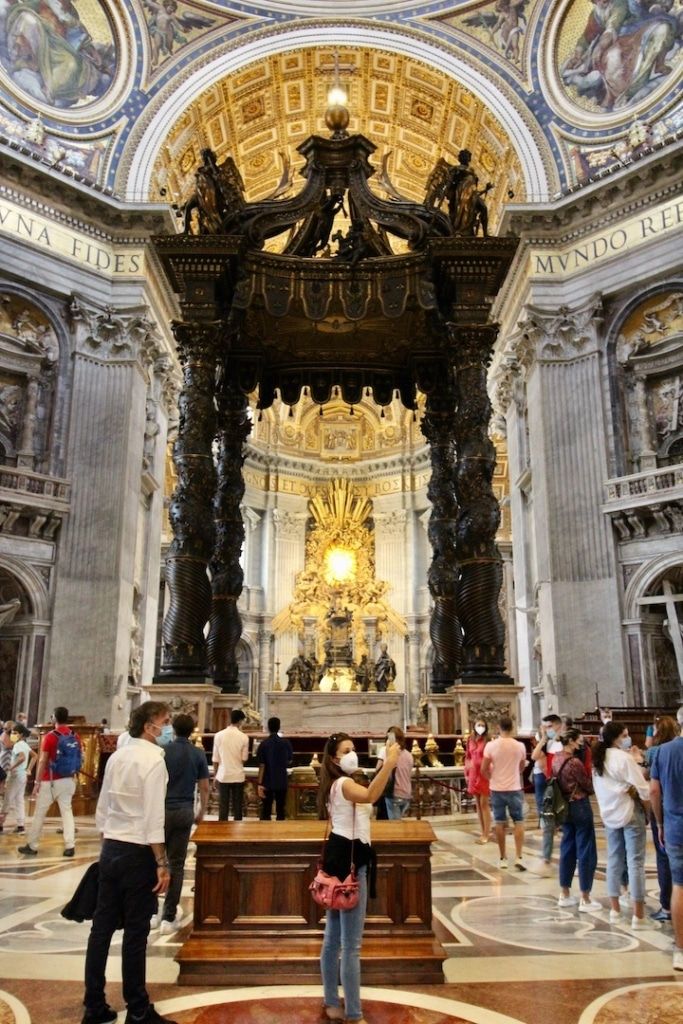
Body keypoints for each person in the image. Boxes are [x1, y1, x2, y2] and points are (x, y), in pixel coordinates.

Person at [82, 700, 177, 1024]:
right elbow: (154, 819)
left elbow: (103, 805)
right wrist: (162, 863)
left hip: (111, 848)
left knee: (101, 930)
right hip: (138, 853)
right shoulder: (153, 761)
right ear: (150, 726)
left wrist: (105, 845)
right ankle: (138, 1009)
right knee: (135, 933)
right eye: (165, 721)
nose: (167, 727)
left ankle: (94, 1006)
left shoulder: (118, 756)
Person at [318, 732, 399, 1024]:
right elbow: (370, 796)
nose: (353, 753)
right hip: (351, 861)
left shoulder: (341, 782)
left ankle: (330, 1000)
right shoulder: (344, 784)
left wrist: (383, 765)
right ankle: (353, 1013)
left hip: (339, 855)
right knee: (350, 945)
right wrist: (389, 764)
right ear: (335, 758)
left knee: (332, 938)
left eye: (354, 748)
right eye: (347, 750)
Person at [592, 720, 658, 931]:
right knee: (635, 862)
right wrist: (650, 812)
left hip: (609, 814)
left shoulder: (597, 759)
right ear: (618, 737)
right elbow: (643, 789)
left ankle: (614, 910)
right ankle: (638, 916)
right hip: (629, 812)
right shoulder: (623, 758)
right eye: (625, 735)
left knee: (614, 860)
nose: (627, 739)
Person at [150, 714, 209, 935]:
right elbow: (204, 786)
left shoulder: (162, 751)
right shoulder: (198, 753)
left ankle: (151, 912)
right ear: (192, 729)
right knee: (176, 863)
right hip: (184, 811)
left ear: (173, 729)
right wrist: (201, 811)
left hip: (161, 810)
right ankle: (168, 916)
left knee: (155, 861)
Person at [19, 706, 81, 857]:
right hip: (69, 779)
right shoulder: (75, 735)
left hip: (51, 780)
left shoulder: (50, 736)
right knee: (67, 812)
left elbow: (42, 761)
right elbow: (80, 757)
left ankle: (32, 845)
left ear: (54, 718)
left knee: (40, 813)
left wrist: (37, 783)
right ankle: (70, 845)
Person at [553, 729, 600, 912]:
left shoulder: (555, 759)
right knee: (586, 850)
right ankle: (585, 898)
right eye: (578, 740)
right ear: (571, 741)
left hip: (564, 806)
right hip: (579, 804)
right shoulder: (574, 762)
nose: (581, 743)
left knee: (567, 848)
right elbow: (587, 786)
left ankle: (564, 893)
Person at [650, 706, 683, 970]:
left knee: (680, 887)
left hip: (675, 826)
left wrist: (659, 822)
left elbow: (653, 791)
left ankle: (681, 949)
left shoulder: (662, 752)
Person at [481, 716, 527, 870]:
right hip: (514, 787)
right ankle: (519, 856)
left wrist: (492, 778)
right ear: (512, 728)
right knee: (518, 821)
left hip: (497, 788)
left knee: (500, 823)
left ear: (498, 728)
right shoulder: (520, 746)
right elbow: (521, 767)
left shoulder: (491, 746)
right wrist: (514, 773)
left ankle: (503, 857)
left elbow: (483, 769)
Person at [644, 715, 678, 922]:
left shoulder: (657, 752)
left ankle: (667, 906)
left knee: (664, 858)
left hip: (668, 811)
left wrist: (658, 822)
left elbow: (653, 789)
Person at [531, 714, 564, 873]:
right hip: (550, 787)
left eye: (549, 726)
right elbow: (534, 756)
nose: (546, 730)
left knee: (565, 825)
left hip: (562, 787)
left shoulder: (564, 743)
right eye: (544, 727)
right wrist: (544, 738)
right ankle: (546, 858)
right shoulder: (548, 744)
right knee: (548, 825)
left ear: (558, 726)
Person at [212, 708, 249, 821]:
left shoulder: (218, 735)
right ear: (240, 721)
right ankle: (237, 834)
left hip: (223, 775)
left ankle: (222, 832)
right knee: (238, 807)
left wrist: (215, 775)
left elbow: (215, 759)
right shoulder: (244, 737)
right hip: (238, 775)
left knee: (223, 807)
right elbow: (244, 758)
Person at [0, 722, 36, 833]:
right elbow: (35, 756)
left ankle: (0, 824)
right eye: (12, 733)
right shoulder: (24, 744)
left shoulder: (17, 745)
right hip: (22, 775)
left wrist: (11, 767)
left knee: (8, 799)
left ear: (20, 734)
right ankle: (21, 825)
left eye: (15, 733)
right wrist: (28, 769)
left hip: (15, 775)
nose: (12, 735)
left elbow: (22, 757)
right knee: (19, 800)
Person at [257, 716, 293, 821]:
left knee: (266, 810)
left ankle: (265, 833)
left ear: (268, 728)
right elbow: (290, 760)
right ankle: (280, 833)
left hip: (267, 781)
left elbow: (262, 765)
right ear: (279, 727)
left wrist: (259, 783)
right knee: (281, 810)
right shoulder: (286, 743)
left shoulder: (263, 744)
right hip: (282, 780)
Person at [464, 719, 491, 843]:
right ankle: (482, 831)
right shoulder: (470, 739)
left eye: (483, 725)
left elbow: (490, 757)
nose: (480, 727)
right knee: (478, 805)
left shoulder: (488, 740)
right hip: (473, 774)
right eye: (478, 725)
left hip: (484, 773)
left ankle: (486, 833)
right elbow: (468, 757)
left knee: (484, 804)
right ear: (474, 726)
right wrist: (466, 772)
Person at [383, 725, 413, 820]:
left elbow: (386, 775)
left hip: (394, 793)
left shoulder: (391, 755)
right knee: (401, 824)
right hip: (407, 793)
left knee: (395, 825)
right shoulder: (409, 755)